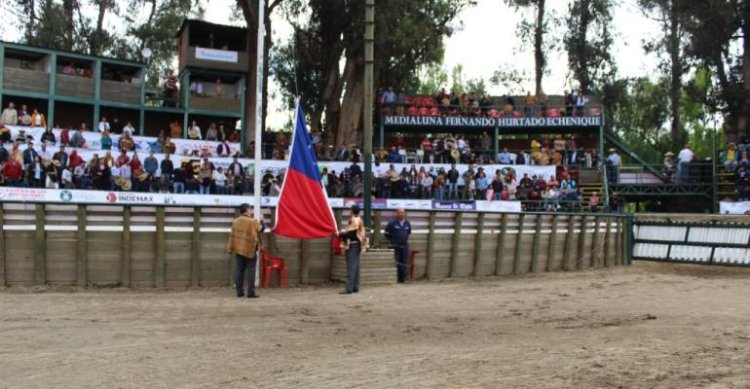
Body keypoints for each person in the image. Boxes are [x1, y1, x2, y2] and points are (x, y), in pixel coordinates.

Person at [227, 203, 265, 298]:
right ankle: (250, 292)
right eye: (250, 209)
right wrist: (262, 221)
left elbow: (232, 235)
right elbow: (261, 229)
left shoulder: (235, 221)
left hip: (239, 248)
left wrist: (231, 246)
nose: (251, 210)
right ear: (247, 210)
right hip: (250, 249)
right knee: (251, 270)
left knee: (239, 270)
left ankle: (239, 292)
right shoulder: (252, 221)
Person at [337, 205, 366, 294]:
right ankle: (355, 286)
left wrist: (339, 234)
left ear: (352, 211)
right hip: (357, 245)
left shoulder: (354, 220)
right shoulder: (359, 219)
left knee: (351, 267)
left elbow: (351, 235)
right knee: (356, 267)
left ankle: (349, 288)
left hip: (352, 245)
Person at [385, 208, 412, 284]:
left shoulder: (407, 223)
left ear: (405, 214)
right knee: (396, 261)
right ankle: (395, 278)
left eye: (403, 213)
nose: (402, 214)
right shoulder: (392, 223)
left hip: (404, 245)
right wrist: (392, 242)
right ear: (397, 214)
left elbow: (409, 232)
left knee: (404, 261)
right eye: (400, 213)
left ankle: (402, 279)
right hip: (395, 245)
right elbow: (387, 234)